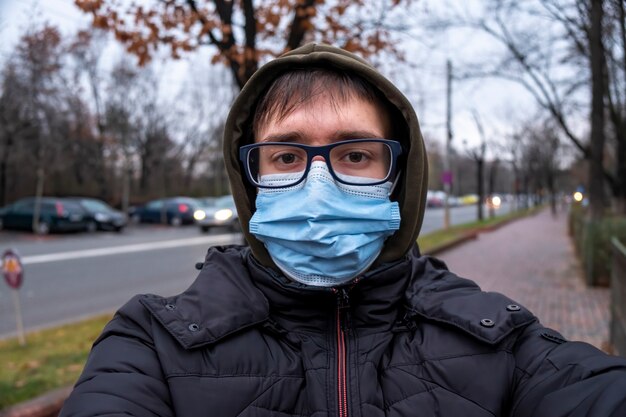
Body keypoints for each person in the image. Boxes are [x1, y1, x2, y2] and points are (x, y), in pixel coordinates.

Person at [60, 43, 626, 417]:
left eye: (355, 154)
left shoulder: (498, 338)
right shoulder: (151, 343)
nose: (319, 183)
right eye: (286, 156)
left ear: (397, 177)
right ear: (250, 177)